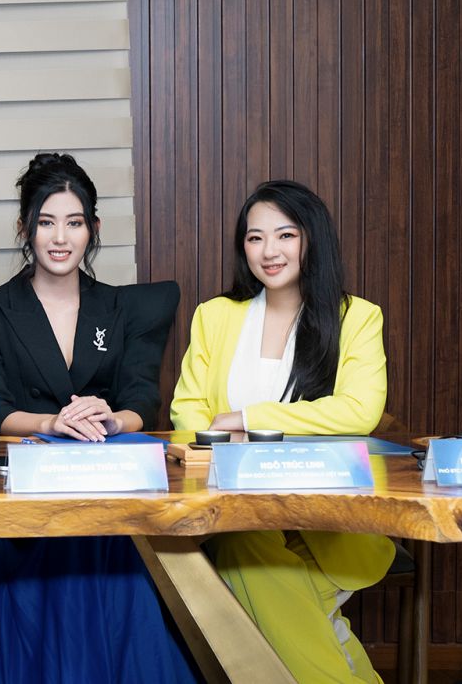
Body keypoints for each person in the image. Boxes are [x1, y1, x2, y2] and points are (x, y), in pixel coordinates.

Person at [0, 152, 195, 683]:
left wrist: (111, 419)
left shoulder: (125, 309)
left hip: (110, 501)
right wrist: (51, 424)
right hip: (27, 502)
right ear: (24, 228)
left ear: (93, 228)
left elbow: (142, 401)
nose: (60, 237)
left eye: (74, 223)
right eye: (46, 222)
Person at [171, 180, 392, 683]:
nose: (269, 251)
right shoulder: (215, 316)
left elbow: (359, 411)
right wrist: (224, 441)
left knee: (245, 577)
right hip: (236, 514)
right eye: (255, 238)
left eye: (285, 235)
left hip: (329, 523)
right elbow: (188, 410)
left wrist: (250, 420)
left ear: (312, 239)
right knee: (253, 559)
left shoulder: (356, 317)